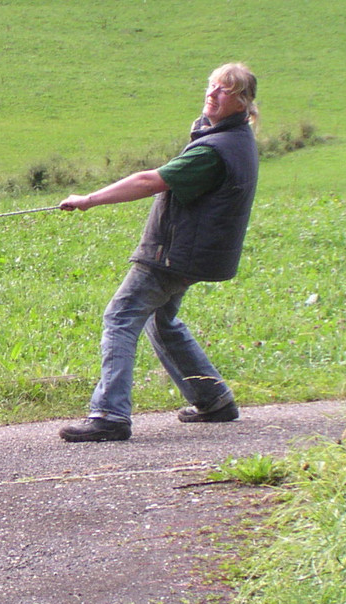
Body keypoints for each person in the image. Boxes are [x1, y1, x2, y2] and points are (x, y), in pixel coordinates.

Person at [56, 63, 259, 443]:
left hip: (174, 255)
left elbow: (150, 180)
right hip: (193, 255)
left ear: (242, 102)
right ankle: (212, 398)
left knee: (120, 317)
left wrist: (88, 200)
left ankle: (109, 414)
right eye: (212, 86)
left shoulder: (214, 151)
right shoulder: (233, 139)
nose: (213, 94)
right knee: (161, 321)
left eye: (225, 91)